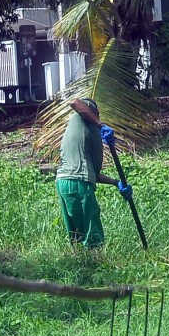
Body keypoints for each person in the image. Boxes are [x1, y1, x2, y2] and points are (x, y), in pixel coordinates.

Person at [55, 97, 132, 248]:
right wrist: (100, 124)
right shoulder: (84, 117)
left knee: (77, 236)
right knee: (92, 236)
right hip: (78, 182)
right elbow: (75, 102)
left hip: (63, 182)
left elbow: (93, 175)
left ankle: (80, 265)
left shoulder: (87, 131)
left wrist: (117, 183)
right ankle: (97, 267)